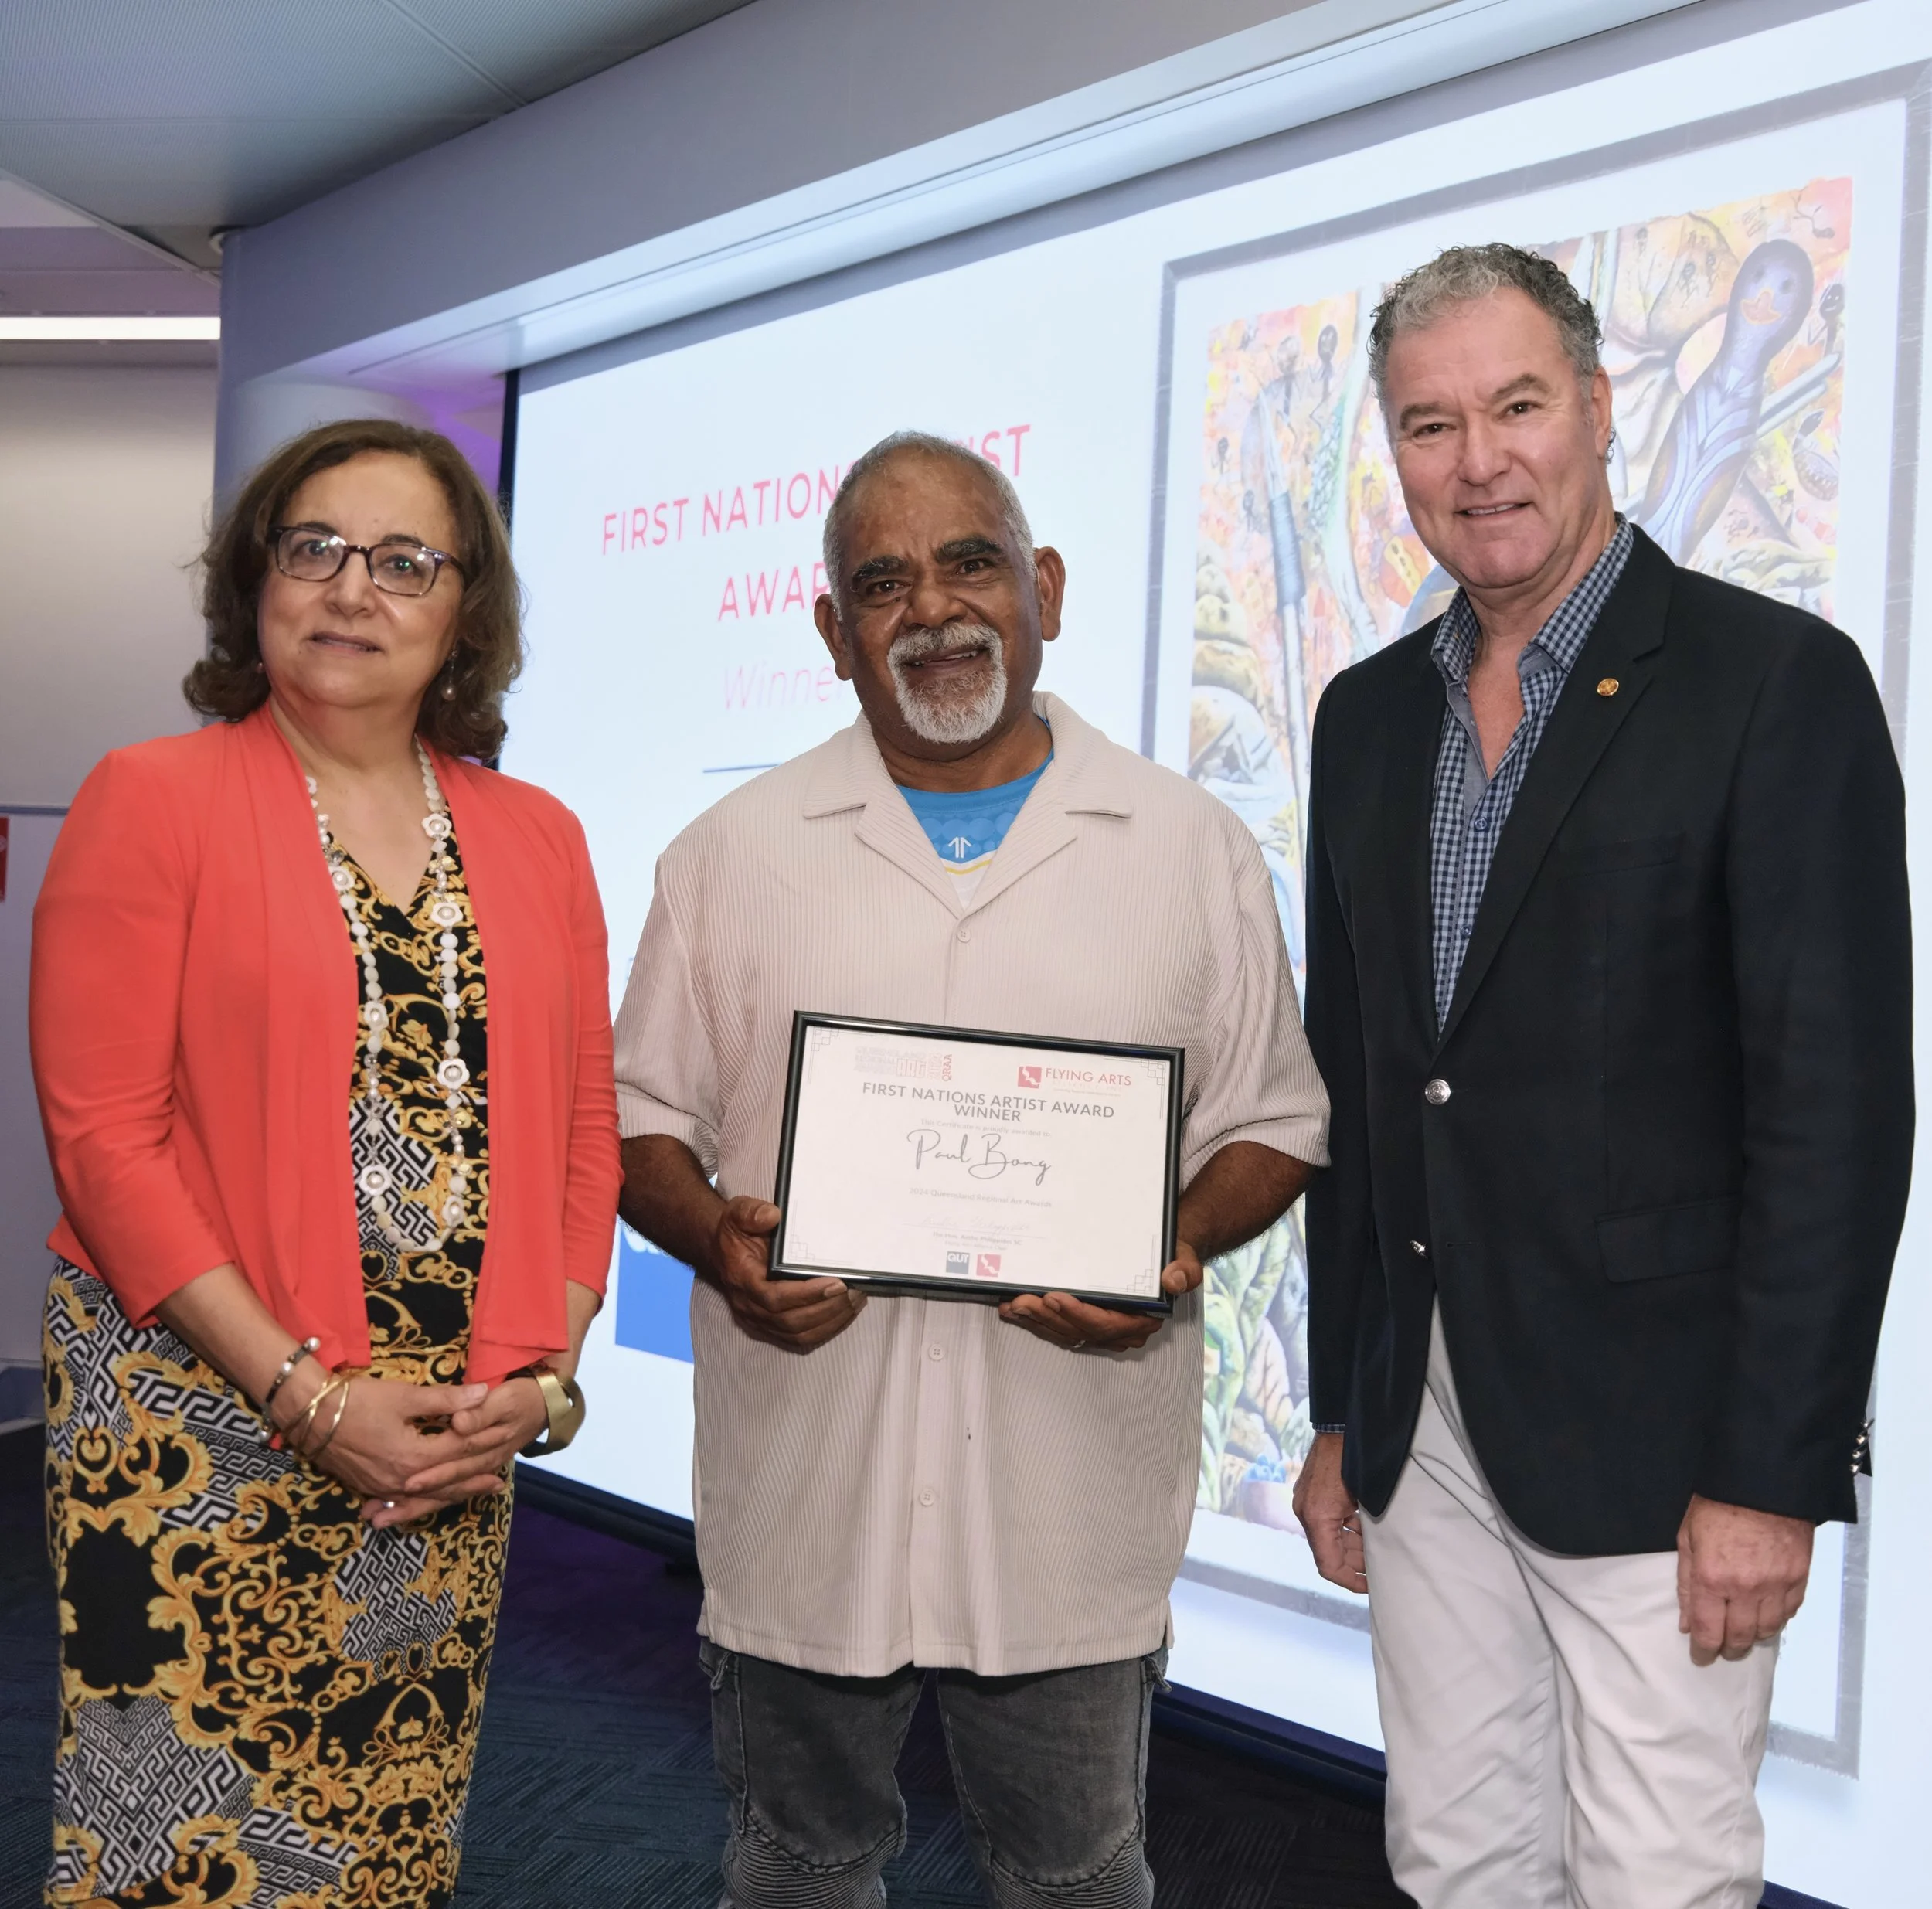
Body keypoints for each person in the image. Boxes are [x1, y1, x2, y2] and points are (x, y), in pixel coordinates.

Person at [615, 430, 1328, 1909]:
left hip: (1069, 1491)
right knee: (798, 1868)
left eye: (970, 562)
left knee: (1075, 1878)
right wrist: (719, 1244)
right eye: (883, 583)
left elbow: (1275, 1119)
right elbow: (633, 1120)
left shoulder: (1189, 848)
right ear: (832, 632)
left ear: (1045, 588)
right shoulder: (728, 853)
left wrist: (1166, 1243)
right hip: (806, 1479)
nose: (932, 607)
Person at [1293, 243, 1911, 1907]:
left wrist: (1770, 1472)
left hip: (1662, 1445)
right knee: (1455, 1857)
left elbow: (1836, 1115)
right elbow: (1359, 1086)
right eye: (1428, 424)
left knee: (1656, 1876)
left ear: (1598, 403)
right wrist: (1341, 1407)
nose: (1476, 462)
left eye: (1515, 406)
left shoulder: (1772, 684)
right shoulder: (1363, 719)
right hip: (1423, 1422)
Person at [31, 418, 622, 1909]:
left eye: (406, 561)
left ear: (464, 612)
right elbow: (106, 1142)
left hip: (443, 1437)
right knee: (186, 1854)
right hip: (193, 1414)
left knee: (385, 1833)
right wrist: (305, 1396)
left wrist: (541, 1380)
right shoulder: (150, 796)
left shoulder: (540, 837)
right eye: (317, 549)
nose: (355, 588)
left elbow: (582, 1132)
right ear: (258, 581)